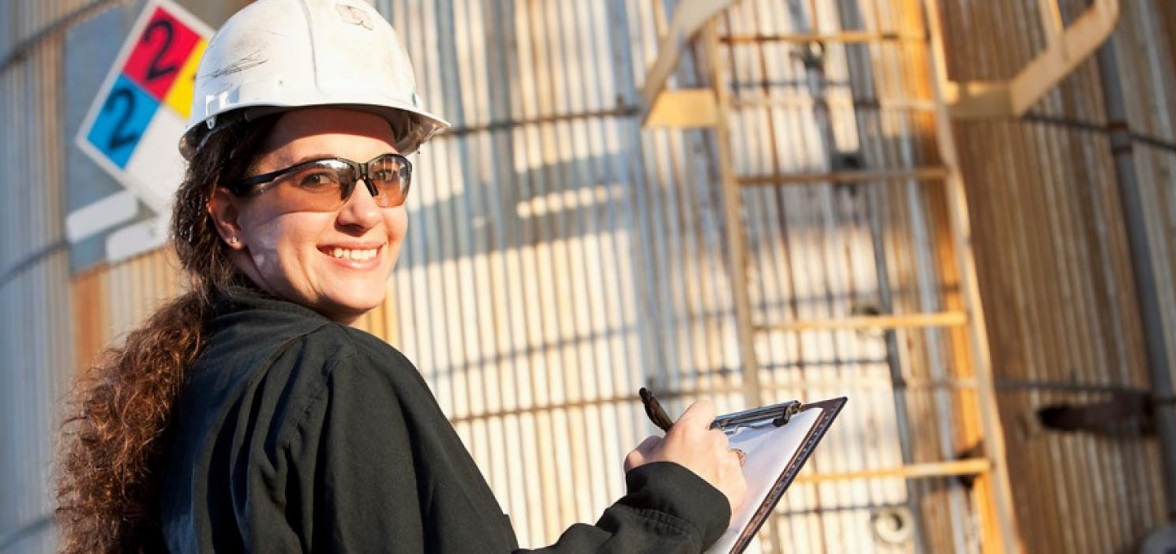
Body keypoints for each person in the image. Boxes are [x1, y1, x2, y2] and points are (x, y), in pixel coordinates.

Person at [55, 0, 747, 552]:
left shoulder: (203, 388)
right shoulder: (331, 374)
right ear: (229, 214)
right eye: (318, 178)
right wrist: (674, 506)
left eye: (385, 175)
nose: (365, 212)